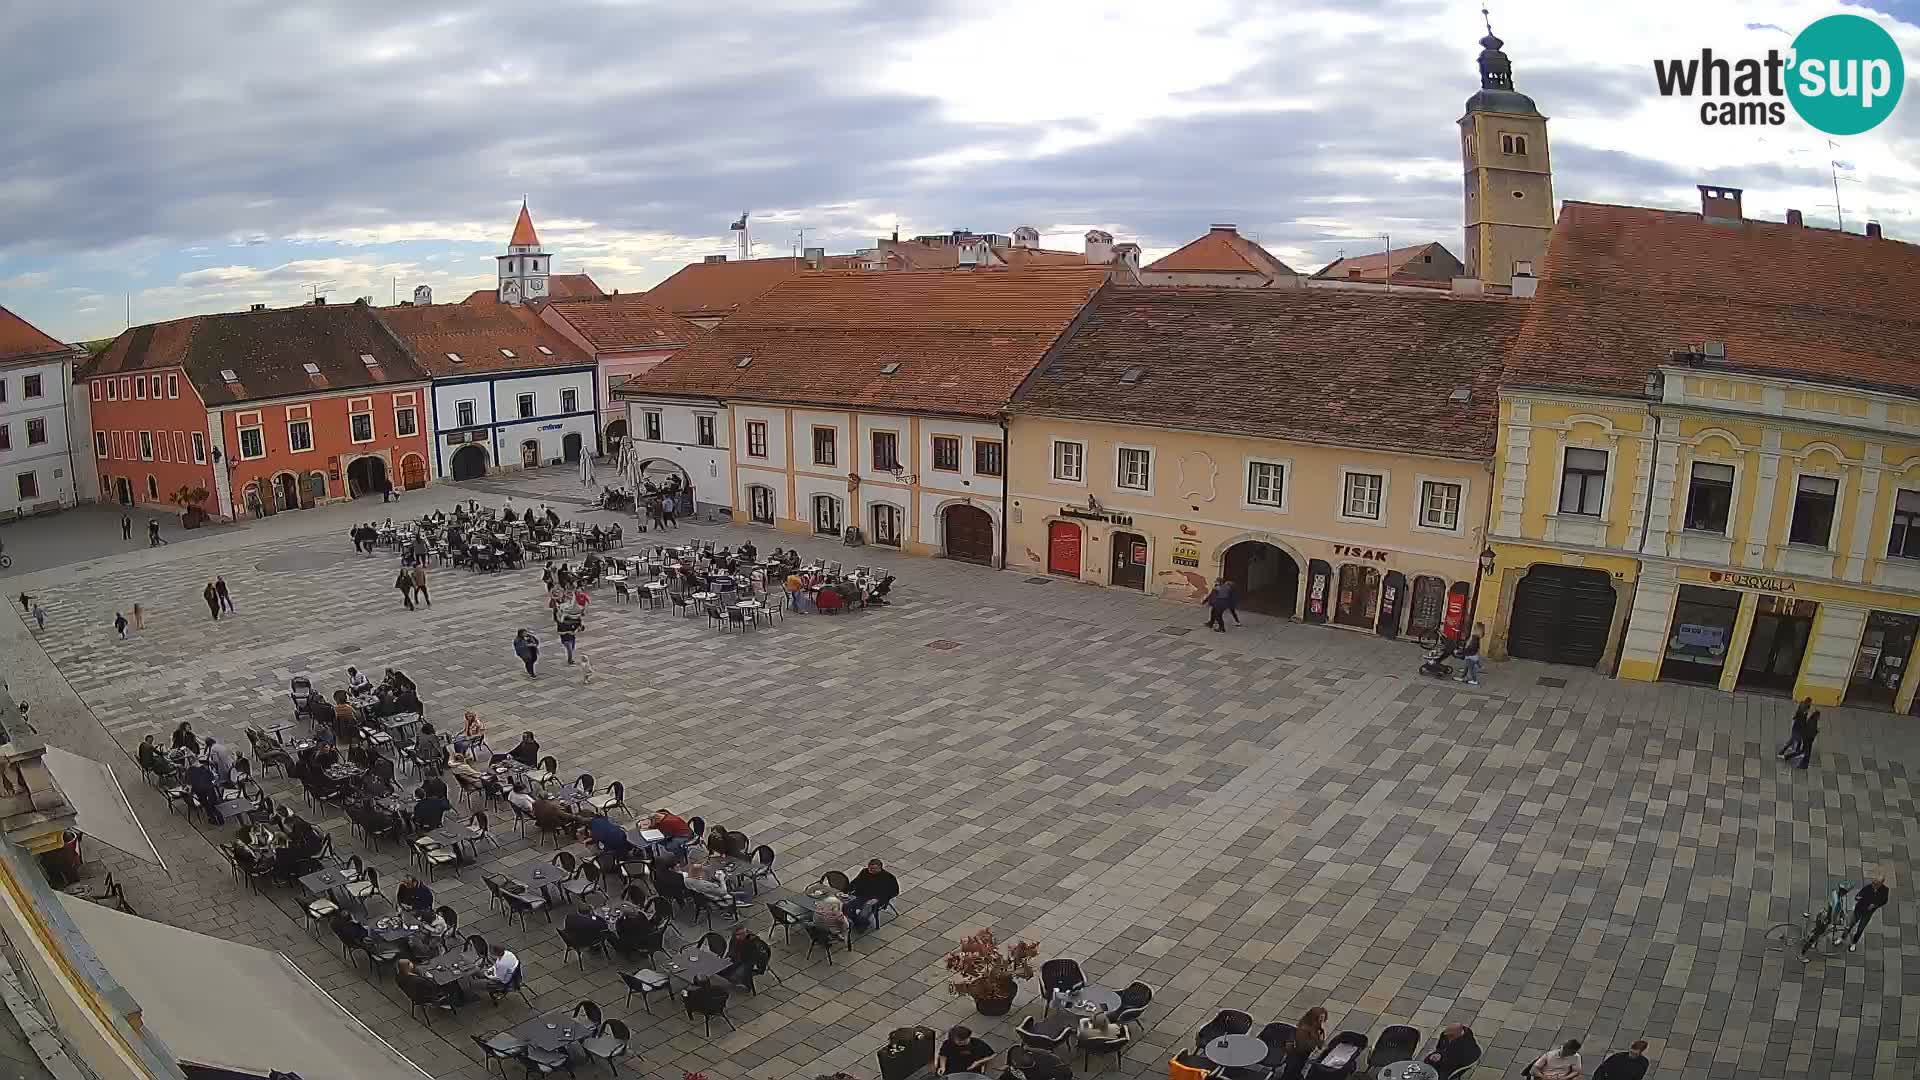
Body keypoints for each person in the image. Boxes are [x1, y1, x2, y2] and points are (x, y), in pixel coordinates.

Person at [845, 859, 899, 931]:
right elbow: (855, 882)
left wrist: (878, 899)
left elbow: (894, 892)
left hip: (878, 899)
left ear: (880, 868)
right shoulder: (865, 872)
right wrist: (847, 890)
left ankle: (862, 924)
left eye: (873, 869)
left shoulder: (888, 877)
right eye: (869, 868)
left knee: (864, 914)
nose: (870, 870)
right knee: (845, 907)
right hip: (862, 895)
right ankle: (857, 921)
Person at [1847, 874, 1890, 952]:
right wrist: (1858, 897)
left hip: (1867, 913)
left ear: (1881, 883)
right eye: (1874, 882)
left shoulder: (1885, 890)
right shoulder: (1868, 887)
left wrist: (1875, 905)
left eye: (1876, 884)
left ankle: (1854, 943)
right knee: (1850, 924)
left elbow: (1884, 901)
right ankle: (1843, 937)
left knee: (1860, 928)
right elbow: (1858, 895)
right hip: (1859, 910)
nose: (1873, 885)